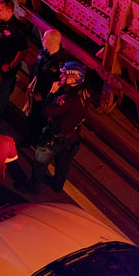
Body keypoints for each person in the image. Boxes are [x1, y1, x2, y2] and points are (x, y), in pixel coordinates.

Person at [30, 62, 91, 194]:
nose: (61, 76)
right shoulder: (84, 92)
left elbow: (47, 110)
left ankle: (34, 188)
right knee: (63, 165)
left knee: (40, 162)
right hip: (72, 137)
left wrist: (52, 93)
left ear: (74, 78)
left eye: (65, 74)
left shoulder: (67, 99)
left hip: (56, 137)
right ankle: (57, 186)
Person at [0, 0, 37, 119]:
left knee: (2, 96)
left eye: (1, 10)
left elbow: (23, 50)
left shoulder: (17, 28)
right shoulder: (0, 24)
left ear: (9, 10)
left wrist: (10, 65)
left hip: (7, 70)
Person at [26, 28, 65, 141]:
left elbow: (58, 86)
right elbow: (36, 70)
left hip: (46, 99)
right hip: (35, 92)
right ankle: (30, 137)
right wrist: (30, 85)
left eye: (45, 38)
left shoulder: (60, 63)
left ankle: (36, 140)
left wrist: (43, 96)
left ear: (51, 42)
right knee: (32, 117)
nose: (42, 39)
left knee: (40, 120)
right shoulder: (44, 52)